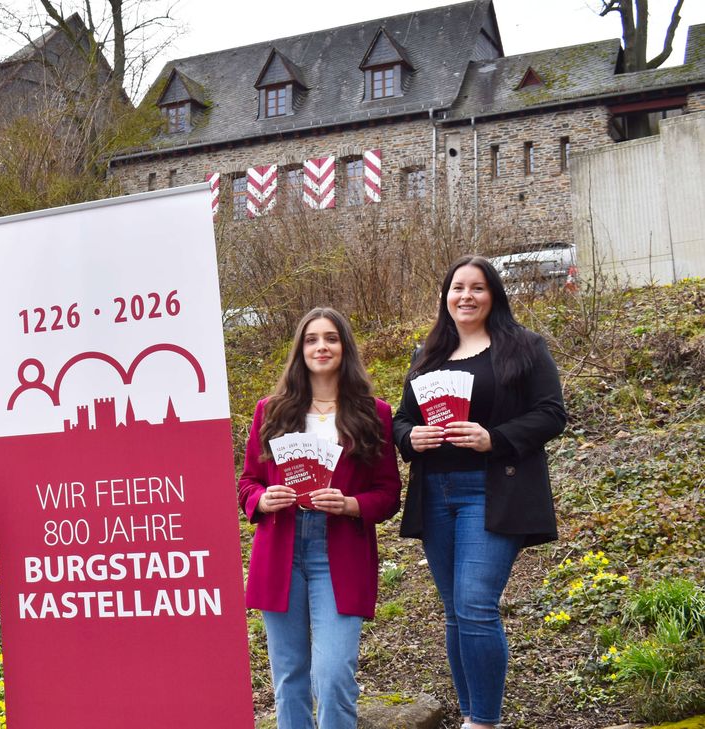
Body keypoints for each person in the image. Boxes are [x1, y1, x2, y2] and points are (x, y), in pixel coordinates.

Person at [392, 256, 567, 729]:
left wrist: (496, 438)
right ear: (445, 296)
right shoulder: (427, 353)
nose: (465, 296)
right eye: (457, 288)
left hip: (490, 490)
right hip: (435, 492)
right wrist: (411, 439)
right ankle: (473, 715)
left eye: (478, 288)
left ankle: (484, 722)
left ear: (494, 296)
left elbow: (552, 413)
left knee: (474, 604)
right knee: (454, 611)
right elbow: (401, 419)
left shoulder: (524, 346)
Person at [238, 307, 401, 729]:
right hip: (281, 550)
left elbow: (388, 495)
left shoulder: (373, 412)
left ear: (344, 347)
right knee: (289, 676)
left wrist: (350, 505)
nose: (321, 346)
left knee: (332, 677)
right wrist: (262, 498)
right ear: (300, 350)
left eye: (330, 338)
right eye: (311, 339)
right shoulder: (271, 411)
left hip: (340, 551)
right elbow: (246, 484)